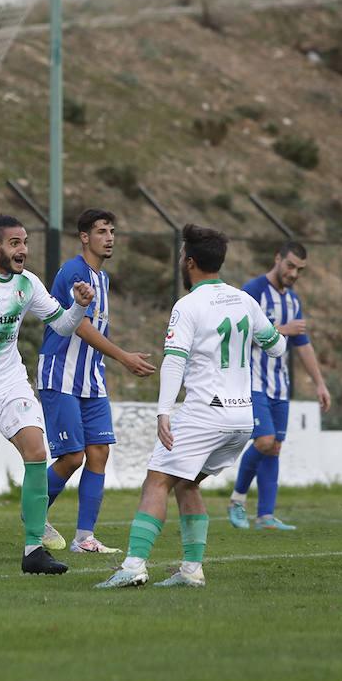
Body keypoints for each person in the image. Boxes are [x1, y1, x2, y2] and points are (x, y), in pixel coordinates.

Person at [98, 224, 285, 589]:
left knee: (156, 479)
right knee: (186, 484)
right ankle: (191, 570)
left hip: (205, 412)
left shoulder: (188, 305)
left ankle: (134, 565)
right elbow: (276, 346)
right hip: (242, 417)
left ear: (190, 262)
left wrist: (163, 412)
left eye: (183, 257)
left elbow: (174, 360)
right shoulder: (245, 300)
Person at [0, 214, 94, 576]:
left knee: (37, 451)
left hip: (11, 383)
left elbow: (62, 325)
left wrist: (79, 306)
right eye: (15, 243)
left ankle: (33, 550)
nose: (23, 249)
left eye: (24, 242)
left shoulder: (28, 284)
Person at [37, 208, 155, 553]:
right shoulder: (76, 271)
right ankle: (34, 515)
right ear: (85, 237)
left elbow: (98, 327)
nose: (110, 238)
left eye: (112, 231)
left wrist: (110, 360)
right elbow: (81, 326)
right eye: (102, 231)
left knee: (99, 452)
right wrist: (124, 357)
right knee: (72, 456)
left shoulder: (103, 279)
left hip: (91, 378)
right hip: (61, 374)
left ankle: (84, 538)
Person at [228, 241, 331, 531]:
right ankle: (237, 500)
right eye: (290, 265)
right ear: (277, 258)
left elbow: (303, 346)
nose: (294, 273)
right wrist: (282, 330)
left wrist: (320, 384)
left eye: (299, 269)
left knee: (274, 447)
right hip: (253, 381)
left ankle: (266, 517)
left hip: (279, 385)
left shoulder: (293, 300)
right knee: (263, 440)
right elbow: (237, 334)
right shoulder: (253, 290)